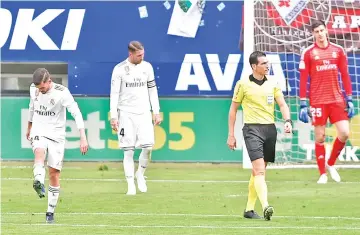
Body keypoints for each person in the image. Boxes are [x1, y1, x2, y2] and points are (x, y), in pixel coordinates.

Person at [227, 51, 292, 221]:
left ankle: (249, 209)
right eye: (263, 63)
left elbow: (282, 104)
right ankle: (265, 206)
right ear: (254, 66)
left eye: (267, 63)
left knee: (258, 172)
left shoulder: (273, 82)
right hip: (252, 130)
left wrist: (287, 120)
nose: (267, 66)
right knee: (259, 170)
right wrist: (231, 134)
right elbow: (233, 110)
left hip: (270, 130)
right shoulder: (242, 84)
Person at [26, 68, 89, 223]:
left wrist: (83, 136)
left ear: (49, 81)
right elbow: (32, 107)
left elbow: (76, 113)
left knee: (54, 173)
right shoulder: (34, 89)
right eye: (38, 88)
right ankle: (38, 181)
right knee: (39, 152)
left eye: (43, 87)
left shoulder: (62, 93)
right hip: (39, 130)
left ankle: (50, 213)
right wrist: (29, 127)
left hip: (56, 135)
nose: (40, 90)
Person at [298, 20, 354, 184]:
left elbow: (345, 75)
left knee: (344, 133)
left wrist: (349, 98)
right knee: (320, 137)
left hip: (337, 99)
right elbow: (303, 79)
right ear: (313, 34)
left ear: (326, 31)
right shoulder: (308, 53)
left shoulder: (338, 50)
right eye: (316, 31)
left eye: (322, 30)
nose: (320, 34)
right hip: (318, 100)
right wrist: (303, 103)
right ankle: (322, 173)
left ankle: (330, 164)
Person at [109, 41, 162, 195]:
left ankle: (140, 174)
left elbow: (152, 91)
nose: (142, 57)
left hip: (144, 113)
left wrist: (156, 111)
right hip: (126, 114)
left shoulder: (147, 67)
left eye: (143, 54)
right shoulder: (119, 70)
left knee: (148, 147)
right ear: (130, 54)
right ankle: (130, 185)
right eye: (139, 55)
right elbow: (114, 94)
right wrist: (113, 116)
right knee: (128, 151)